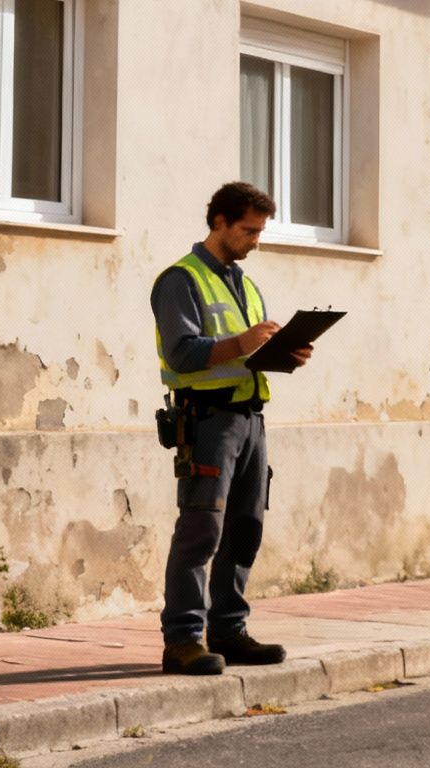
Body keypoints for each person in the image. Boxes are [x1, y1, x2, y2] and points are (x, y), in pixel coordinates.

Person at [151, 181, 310, 675]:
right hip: (207, 421)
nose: (255, 241)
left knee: (245, 530)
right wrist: (242, 342)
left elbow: (247, 354)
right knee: (200, 530)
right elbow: (182, 352)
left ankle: (229, 629)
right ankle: (182, 640)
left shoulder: (242, 281)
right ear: (218, 222)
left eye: (259, 231)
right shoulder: (180, 279)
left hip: (250, 419)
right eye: (248, 230)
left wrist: (285, 354)